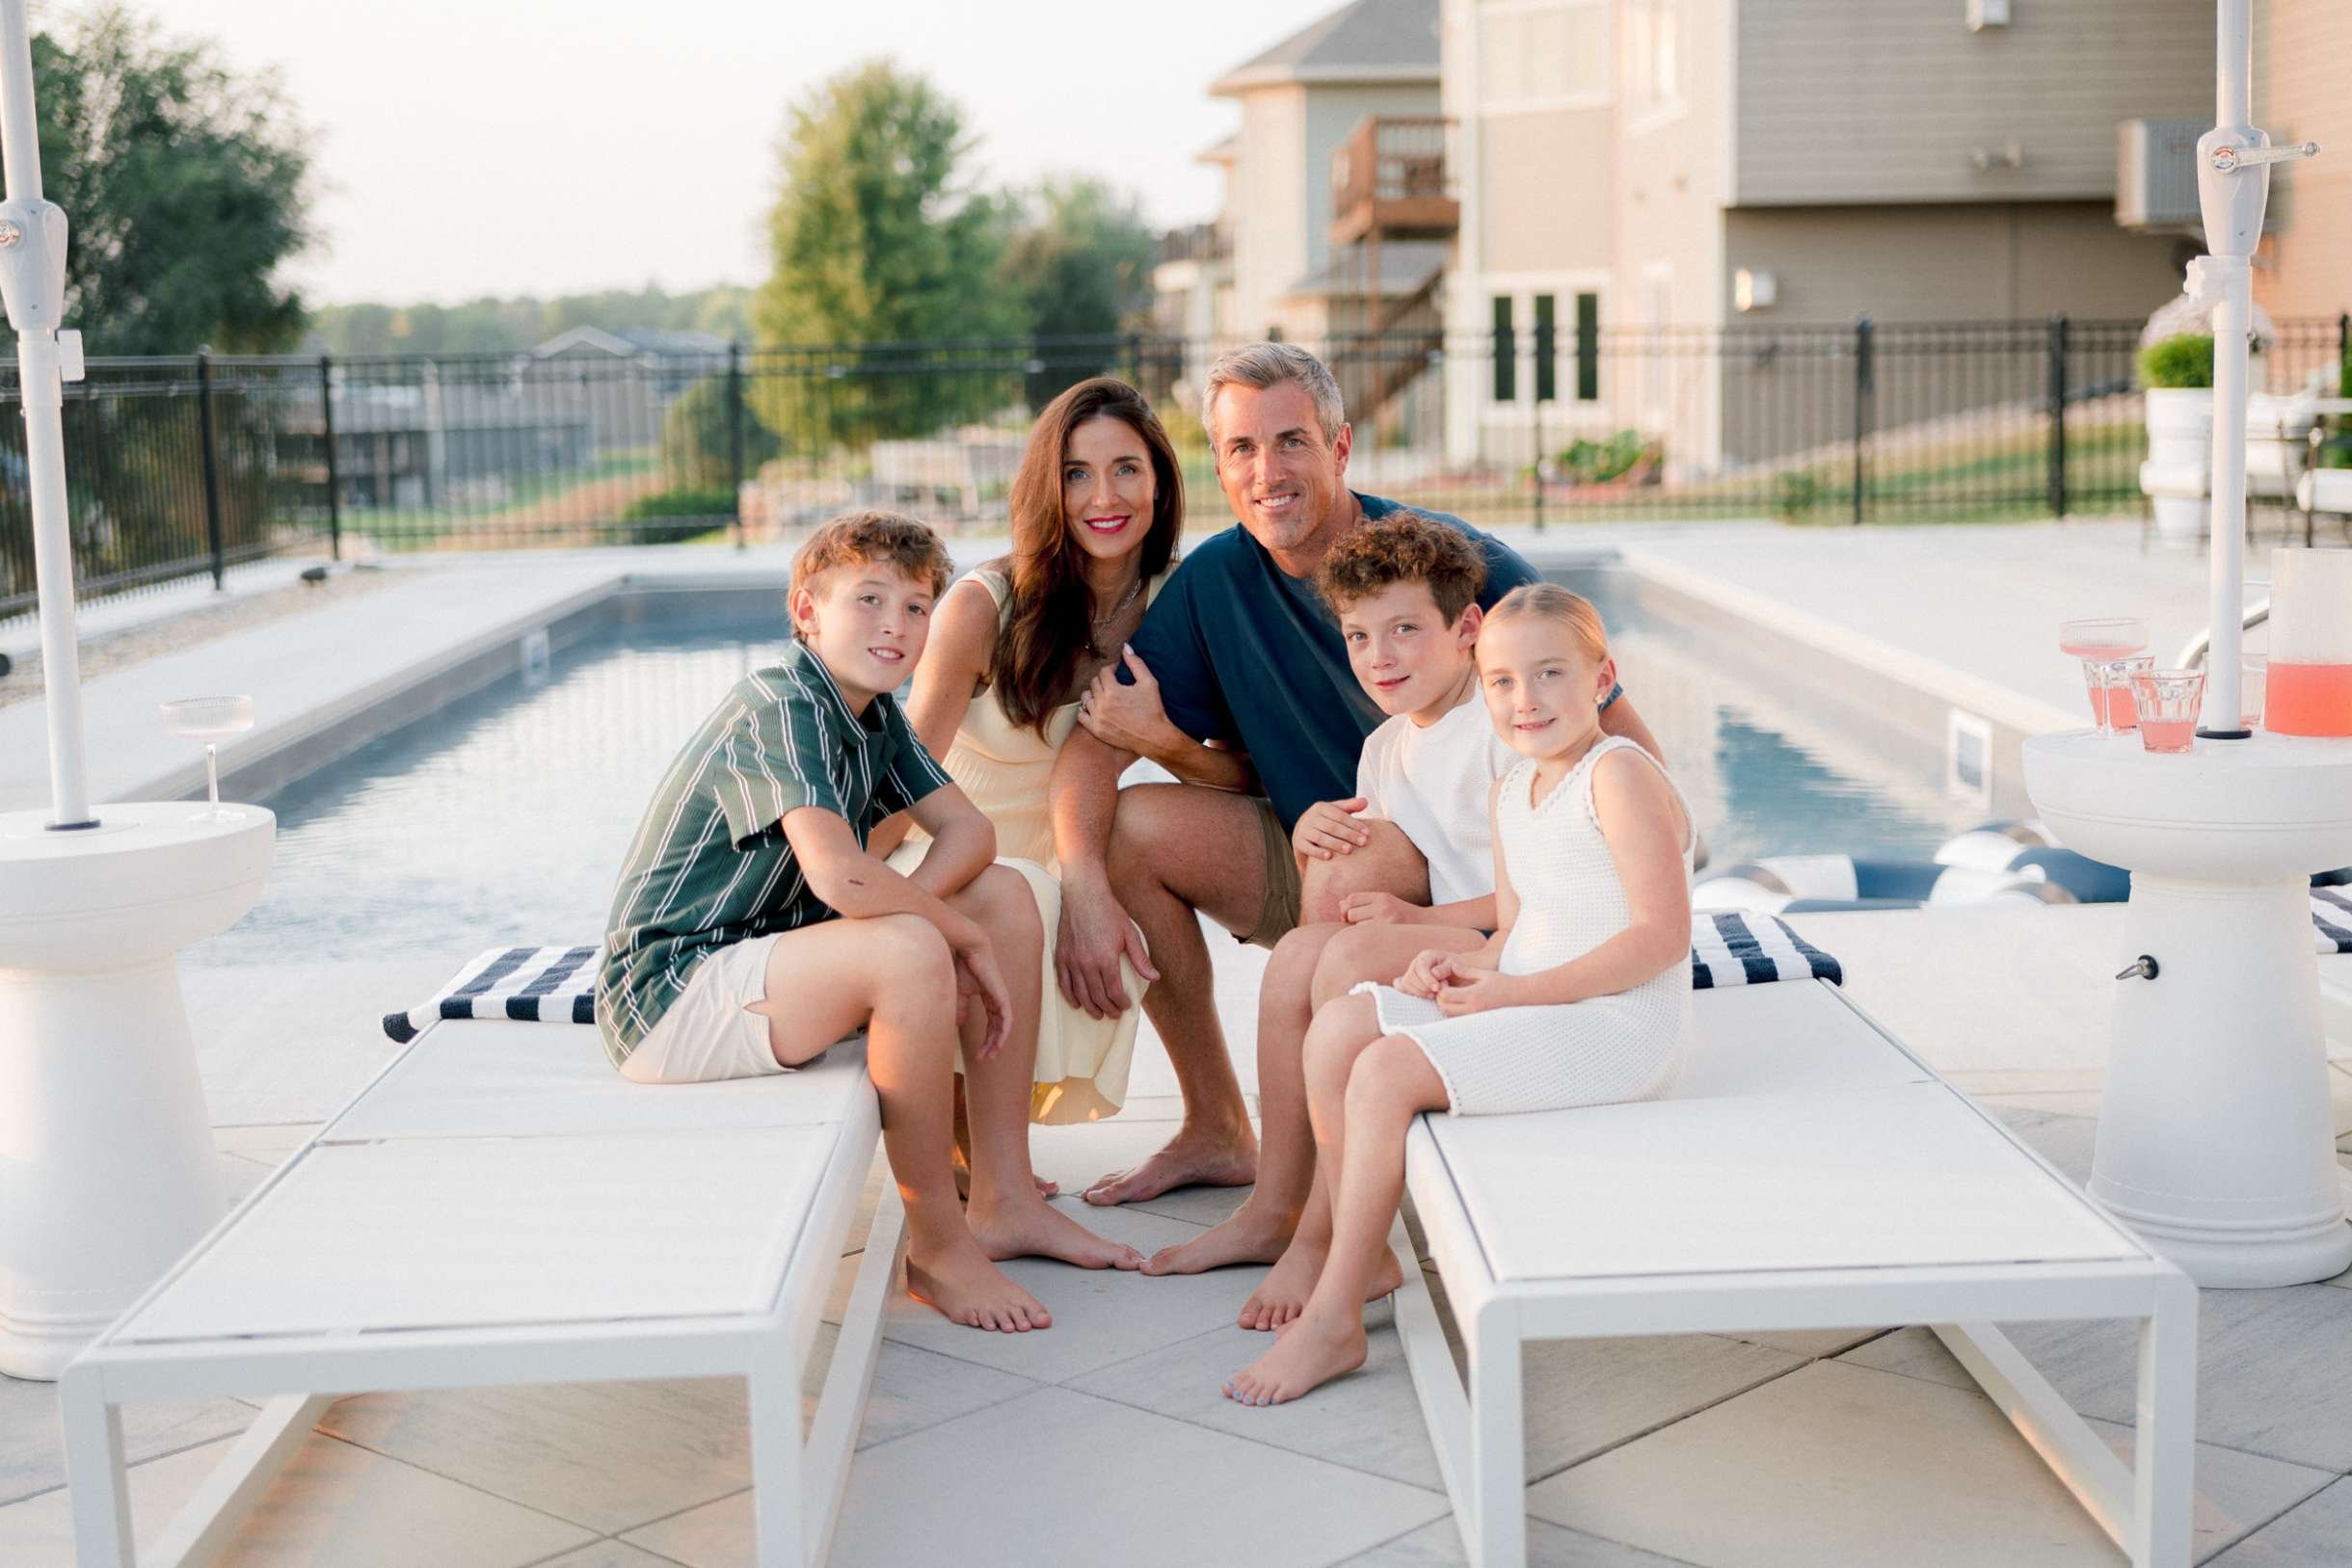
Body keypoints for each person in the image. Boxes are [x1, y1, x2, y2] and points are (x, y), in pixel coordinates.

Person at [1049, 341, 1661, 1209]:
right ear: (1220, 467)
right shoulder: (1217, 582)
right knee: (1130, 827)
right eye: (1241, 449)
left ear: (1339, 450)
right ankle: (1221, 1128)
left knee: (1351, 852)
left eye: (1291, 441)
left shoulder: (1452, 569)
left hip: (1461, 882)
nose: (1268, 471)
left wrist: (1555, 918)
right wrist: (1080, 884)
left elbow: (1634, 763)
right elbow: (1089, 752)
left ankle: (1339, 1191)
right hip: (1310, 846)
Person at [596, 511, 1132, 1339]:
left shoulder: (872, 714)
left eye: (918, 607)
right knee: (912, 947)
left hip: (773, 963)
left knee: (1007, 894)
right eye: (870, 599)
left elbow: (971, 833)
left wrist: (961, 922)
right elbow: (841, 876)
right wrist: (948, 935)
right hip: (673, 992)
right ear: (807, 610)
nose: (897, 624)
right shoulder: (784, 702)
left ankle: (1005, 1197)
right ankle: (938, 1245)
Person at [1223, 583, 1697, 1405]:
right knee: (1340, 1028)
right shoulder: (1513, 790)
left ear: (1602, 677)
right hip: (1542, 995)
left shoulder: (1617, 776)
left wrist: (1517, 994)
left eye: (1551, 674)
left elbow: (1663, 937)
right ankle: (1360, 1251)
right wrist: (1458, 970)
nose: (1526, 699)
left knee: (1382, 1072)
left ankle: (1334, 1316)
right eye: (1504, 681)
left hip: (1617, 1024)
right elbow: (1515, 931)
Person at [1144, 513, 1504, 1328]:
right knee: (1298, 955)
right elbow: (1368, 841)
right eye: (1360, 635)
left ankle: (1332, 1236)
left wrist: (1420, 916)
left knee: (1340, 953)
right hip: (1447, 929)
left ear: (1468, 628)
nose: (1381, 656)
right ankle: (1277, 1200)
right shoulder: (1386, 747)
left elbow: (1536, 895)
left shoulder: (1498, 728)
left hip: (1506, 942)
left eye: (1406, 629)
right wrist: (1309, 829)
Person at [869, 378, 1249, 1138]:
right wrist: (832, 893)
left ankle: (1214, 1121)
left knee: (1111, 853)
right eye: (1076, 473)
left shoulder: (1180, 602)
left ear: (1160, 481)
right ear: (1050, 486)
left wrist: (1165, 743)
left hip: (1059, 857)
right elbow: (901, 778)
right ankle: (966, 1149)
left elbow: (1242, 780)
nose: (1102, 496)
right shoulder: (984, 606)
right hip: (949, 848)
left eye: (1126, 469)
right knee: (1023, 899)